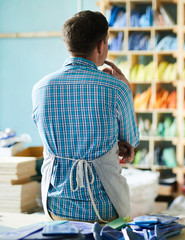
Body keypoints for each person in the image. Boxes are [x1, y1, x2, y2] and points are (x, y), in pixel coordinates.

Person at [32, 10, 139, 223]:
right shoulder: (116, 89)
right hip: (104, 207)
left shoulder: (40, 88)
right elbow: (130, 143)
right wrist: (126, 88)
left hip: (55, 205)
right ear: (101, 46)